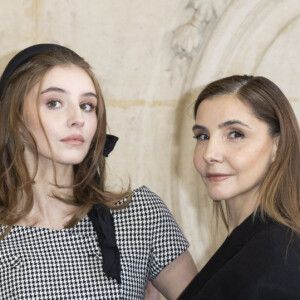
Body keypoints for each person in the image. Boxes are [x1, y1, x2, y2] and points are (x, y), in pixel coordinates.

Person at [0, 44, 197, 300]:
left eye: (87, 105)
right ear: (15, 116)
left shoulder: (140, 215)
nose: (77, 119)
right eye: (55, 102)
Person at [179, 75, 300, 299]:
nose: (209, 154)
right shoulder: (249, 244)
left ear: (278, 145)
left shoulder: (277, 256)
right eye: (202, 136)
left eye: (235, 134)